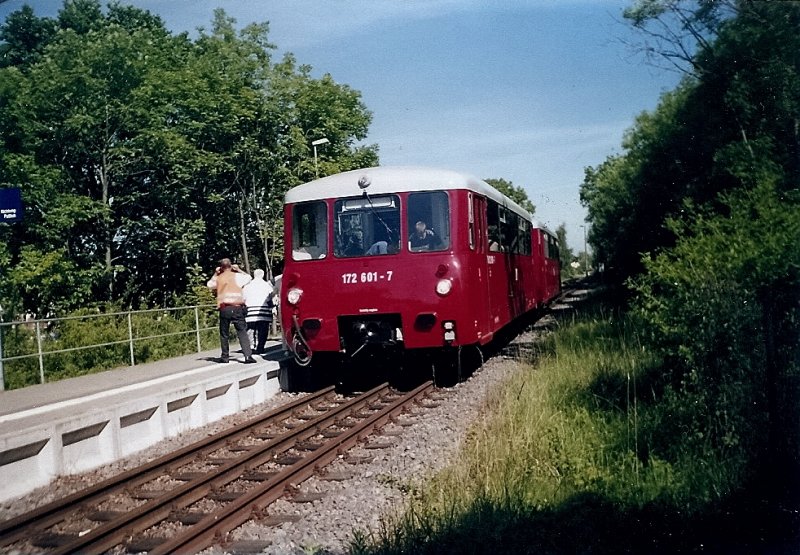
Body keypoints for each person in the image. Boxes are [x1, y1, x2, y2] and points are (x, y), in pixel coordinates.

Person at [207, 258, 255, 364]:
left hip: (224, 308)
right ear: (231, 266)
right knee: (242, 331)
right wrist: (238, 269)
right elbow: (249, 277)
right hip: (237, 307)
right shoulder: (237, 276)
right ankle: (248, 356)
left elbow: (209, 285)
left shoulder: (219, 278)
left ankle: (225, 357)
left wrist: (215, 273)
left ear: (221, 267)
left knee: (224, 333)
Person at [243, 269, 273, 354]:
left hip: (250, 311)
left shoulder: (247, 286)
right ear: (262, 275)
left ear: (254, 275)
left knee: (250, 329)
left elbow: (243, 298)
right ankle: (260, 347)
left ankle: (251, 346)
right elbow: (270, 297)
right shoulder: (267, 285)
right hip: (263, 311)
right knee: (263, 330)